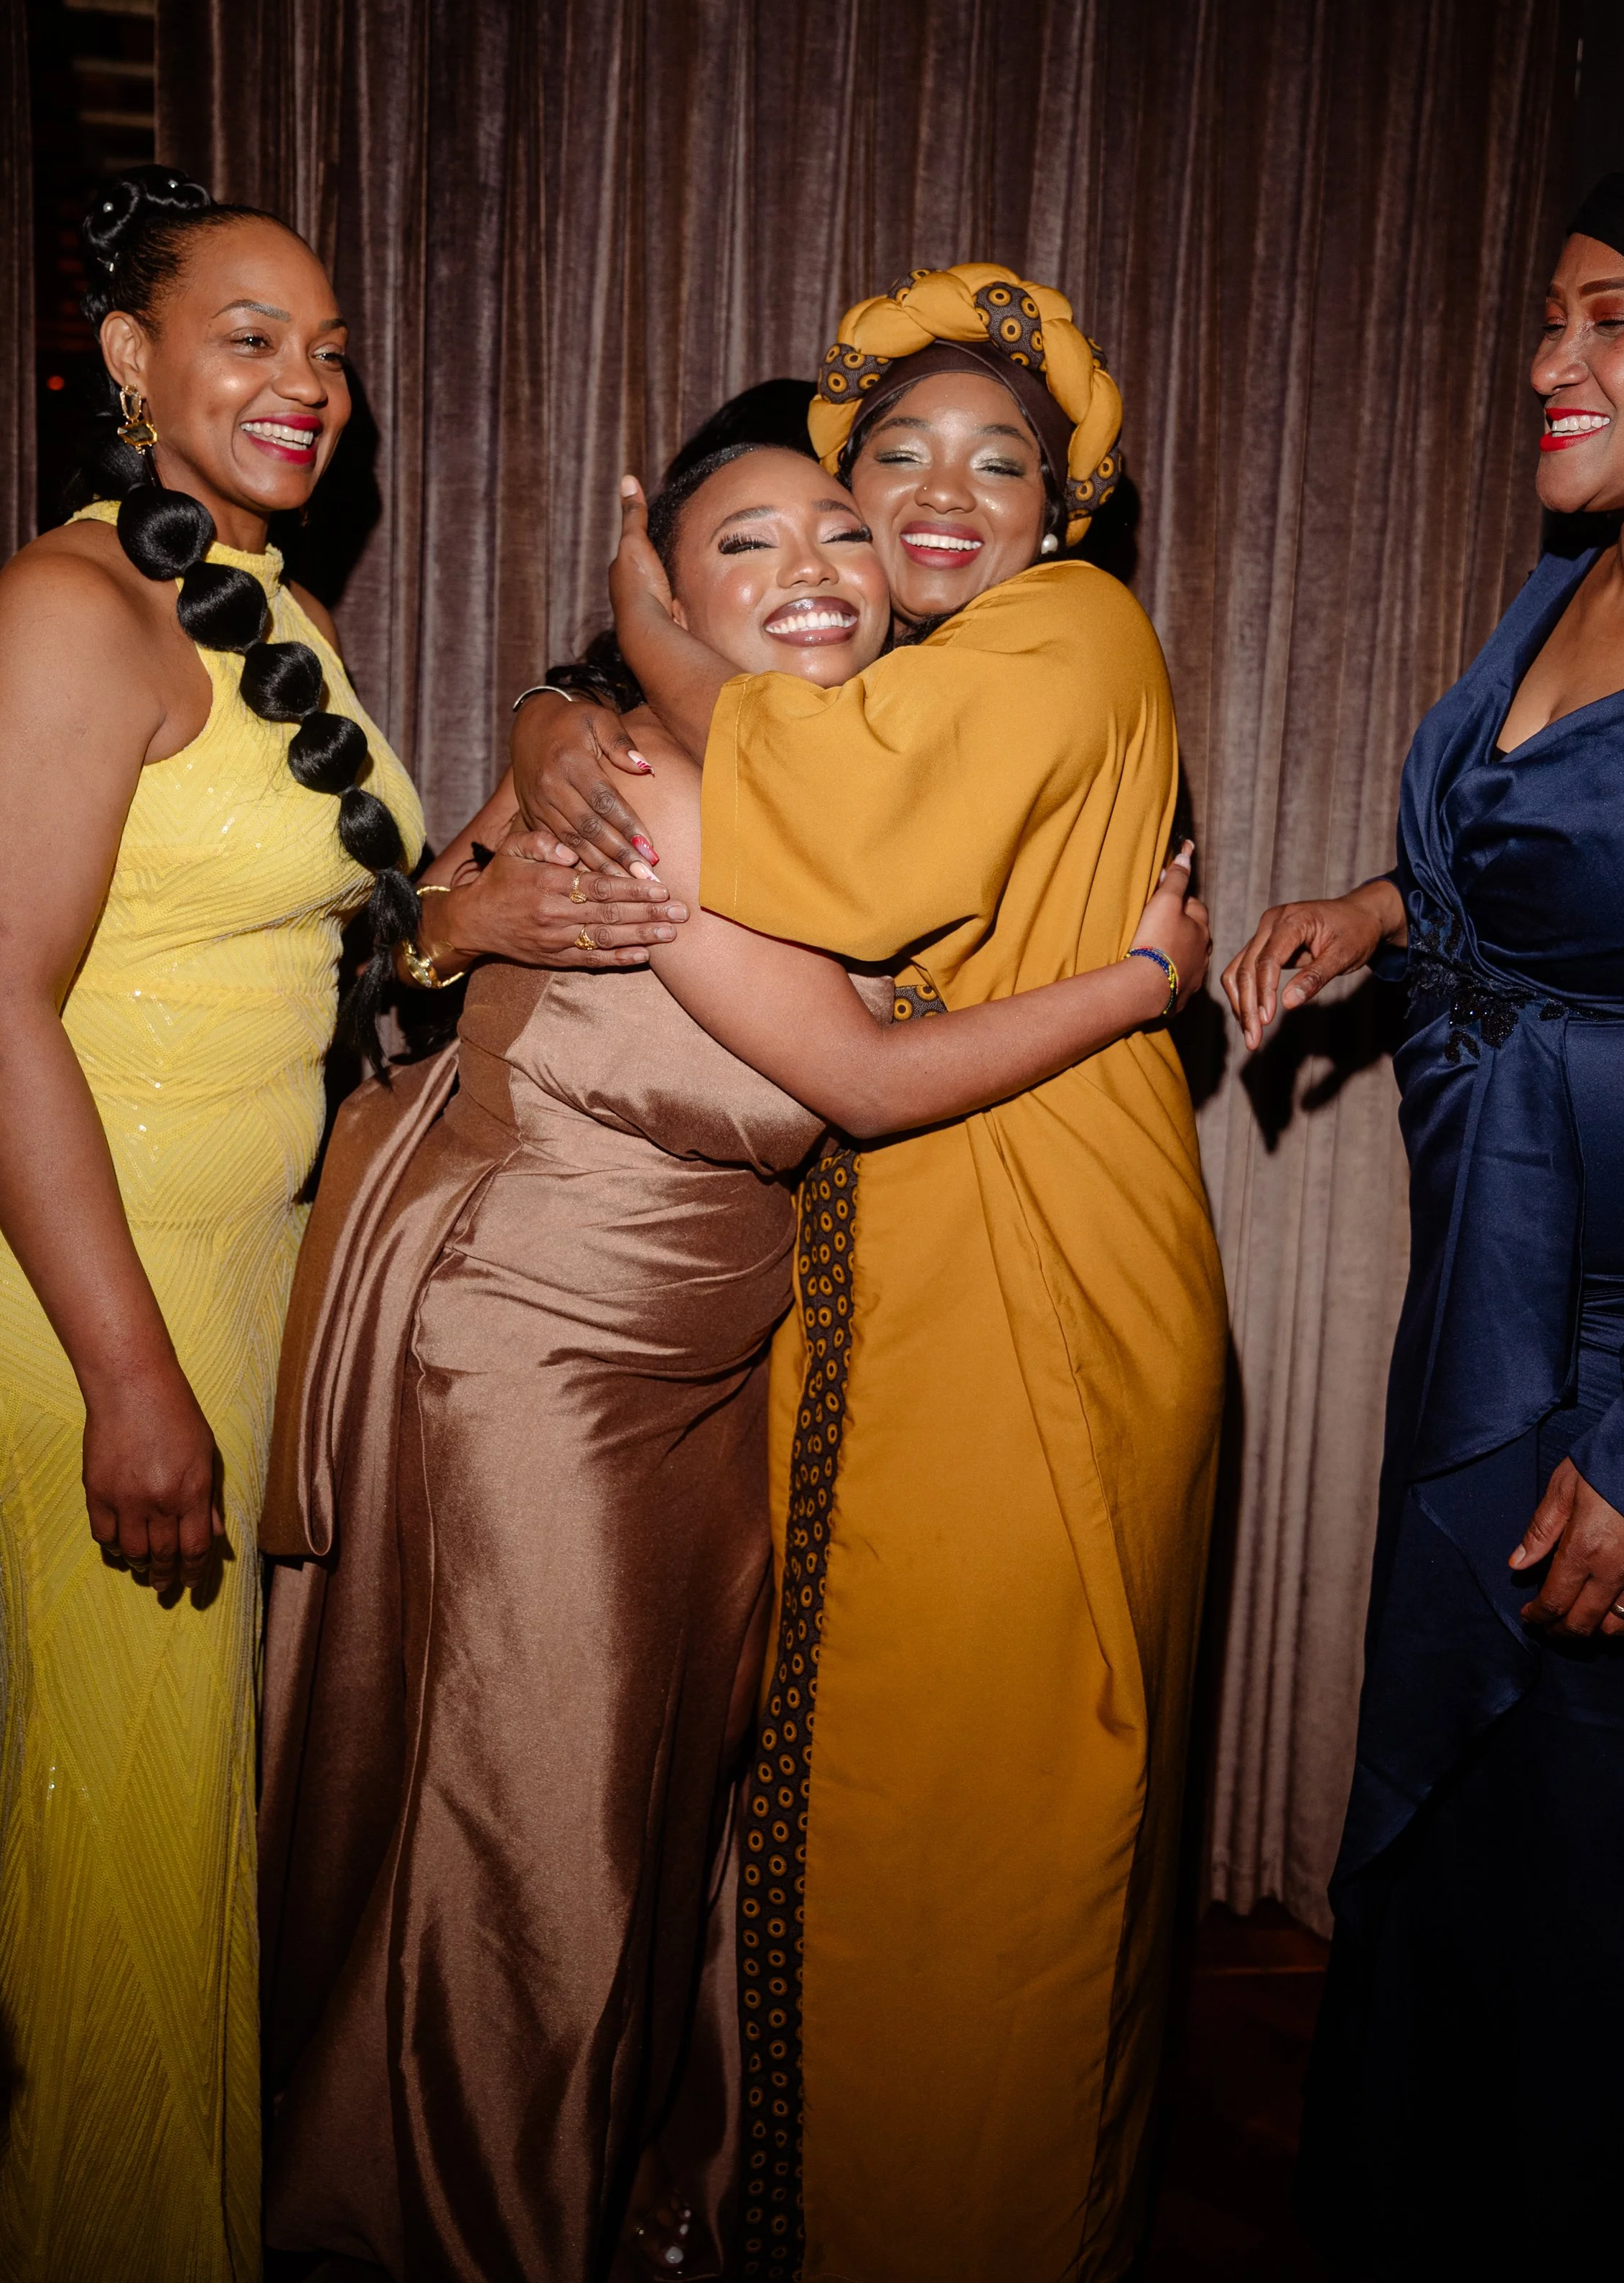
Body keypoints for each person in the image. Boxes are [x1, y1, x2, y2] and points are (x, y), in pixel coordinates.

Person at [257, 437, 1205, 2283]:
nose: (814, 568)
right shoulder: (640, 773)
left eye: (840, 533)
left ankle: (621, 2197)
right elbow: (849, 1077)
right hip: (535, 1360)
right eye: (743, 542)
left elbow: (420, 943)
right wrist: (1137, 982)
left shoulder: (831, 789)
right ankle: (463, 2230)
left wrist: (453, 912)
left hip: (702, 1369)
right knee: (529, 1849)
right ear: (663, 597)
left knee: (652, 1819)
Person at [513, 266, 1229, 2283]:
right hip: (936, 1243)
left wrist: (637, 632)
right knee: (897, 1784)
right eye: (890, 457)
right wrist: (566, 706)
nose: (938, 491)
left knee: (995, 1802)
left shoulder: (1054, 631)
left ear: (1056, 511)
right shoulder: (923, 662)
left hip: (1040, 1251)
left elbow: (826, 848)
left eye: (996, 461)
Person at [1223, 139, 1624, 2270]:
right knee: (1448, 1853)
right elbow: (1545, 866)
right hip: (1494, 1311)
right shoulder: (1567, 584)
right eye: (1544, 315)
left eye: (1605, 315)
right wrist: (1376, 909)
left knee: (1609, 1921)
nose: (1548, 358)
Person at [0, 167, 424, 2279]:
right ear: (127, 358)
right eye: (252, 337)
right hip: (95, 1282)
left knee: (177, 1810)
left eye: (329, 349)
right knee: (124, 1823)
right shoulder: (75, 606)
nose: (307, 383)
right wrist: (128, 1378)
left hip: (230, 1262)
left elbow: (324, 918)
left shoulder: (257, 598)